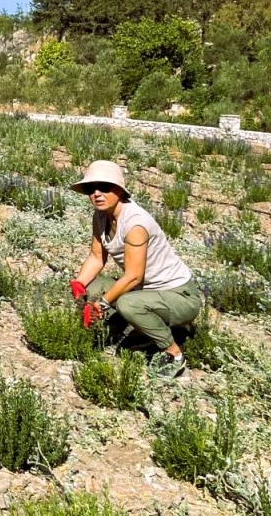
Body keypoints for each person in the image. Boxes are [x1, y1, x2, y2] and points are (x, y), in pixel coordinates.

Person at [68, 160, 202, 379]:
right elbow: (96, 257)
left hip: (180, 295)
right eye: (92, 189)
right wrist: (78, 284)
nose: (97, 194)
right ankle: (136, 330)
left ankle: (173, 353)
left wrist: (101, 305)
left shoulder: (135, 224)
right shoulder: (100, 217)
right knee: (93, 287)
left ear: (119, 190)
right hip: (146, 290)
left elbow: (133, 276)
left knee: (126, 303)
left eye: (105, 187)